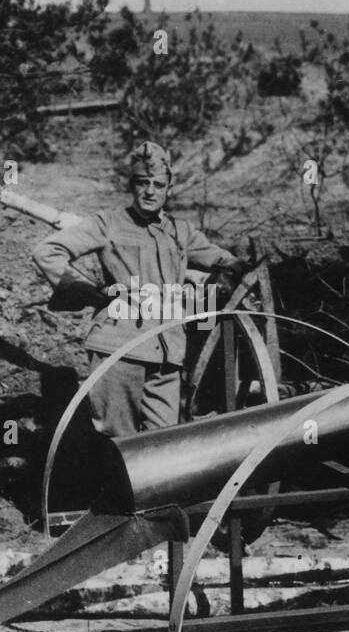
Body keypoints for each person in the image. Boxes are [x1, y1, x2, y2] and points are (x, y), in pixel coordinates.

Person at [32, 141, 242, 437]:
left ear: (169, 187)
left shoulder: (180, 232)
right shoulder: (108, 223)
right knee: (119, 444)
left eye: (158, 184)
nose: (150, 191)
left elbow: (226, 260)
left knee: (165, 442)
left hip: (168, 356)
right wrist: (90, 292)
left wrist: (228, 273)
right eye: (142, 183)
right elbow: (48, 251)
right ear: (132, 185)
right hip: (119, 351)